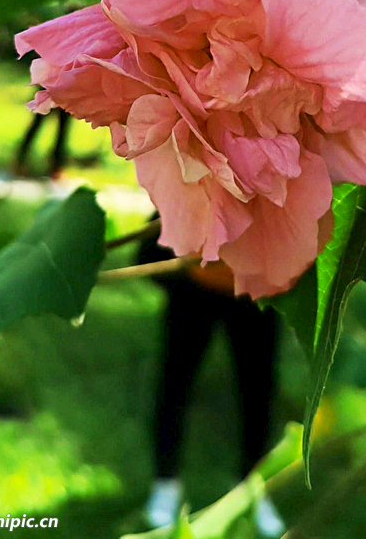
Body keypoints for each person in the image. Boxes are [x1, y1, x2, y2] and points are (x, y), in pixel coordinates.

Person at [139, 224, 285, 535]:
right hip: (194, 288)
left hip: (256, 290)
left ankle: (253, 484)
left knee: (258, 391)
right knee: (174, 383)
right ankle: (165, 481)